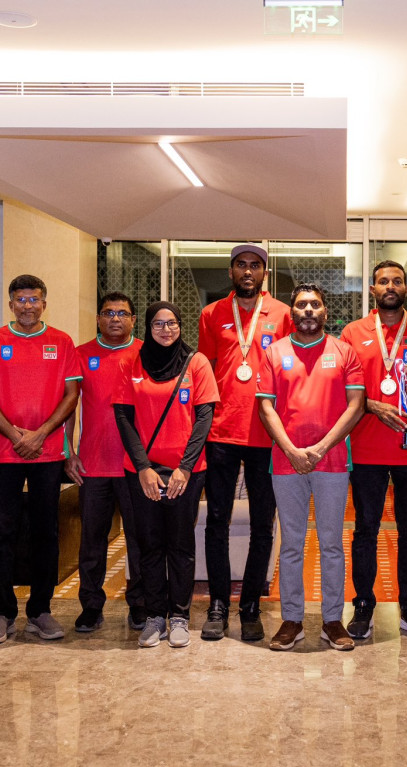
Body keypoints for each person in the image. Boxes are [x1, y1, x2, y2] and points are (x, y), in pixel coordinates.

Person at [340, 260, 407, 642]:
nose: (390, 286)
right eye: (383, 281)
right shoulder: (352, 332)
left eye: (396, 281)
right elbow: (343, 388)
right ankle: (363, 605)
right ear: (372, 290)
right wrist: (371, 405)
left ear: (406, 289)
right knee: (365, 531)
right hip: (366, 450)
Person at [257, 283, 365, 652]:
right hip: (286, 462)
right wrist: (291, 450)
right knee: (291, 544)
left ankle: (333, 620)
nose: (308, 310)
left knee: (331, 544)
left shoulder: (344, 351)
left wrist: (319, 449)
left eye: (314, 304)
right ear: (292, 312)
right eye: (301, 304)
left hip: (332, 461)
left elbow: (356, 405)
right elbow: (266, 407)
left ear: (324, 311)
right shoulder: (274, 352)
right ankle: (292, 619)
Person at [0, 275, 80, 645]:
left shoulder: (61, 342)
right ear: (11, 304)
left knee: (45, 532)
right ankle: (2, 613)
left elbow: (71, 395)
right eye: (20, 300)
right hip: (5, 453)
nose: (27, 306)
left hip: (48, 452)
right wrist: (16, 435)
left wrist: (40, 434)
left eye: (34, 299)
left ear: (44, 303)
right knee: (3, 532)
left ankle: (40, 610)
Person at [196, 244, 293, 642]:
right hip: (221, 433)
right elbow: (204, 372)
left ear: (264, 273)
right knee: (216, 522)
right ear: (231, 271)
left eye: (255, 265)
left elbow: (289, 374)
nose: (248, 271)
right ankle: (218, 604)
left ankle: (251, 605)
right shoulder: (212, 314)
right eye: (241, 265)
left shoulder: (283, 314)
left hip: (266, 435)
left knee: (262, 526)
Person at [114, 302, 219, 648]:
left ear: (180, 326)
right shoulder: (130, 362)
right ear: (147, 327)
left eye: (172, 323)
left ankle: (179, 616)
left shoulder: (196, 363)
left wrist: (184, 469)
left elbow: (204, 417)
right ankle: (155, 616)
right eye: (158, 324)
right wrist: (143, 468)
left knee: (180, 544)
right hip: (143, 471)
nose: (166, 330)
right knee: (149, 545)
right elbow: (123, 417)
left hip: (185, 473)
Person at [67, 292, 145, 632]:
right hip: (93, 464)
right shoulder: (81, 354)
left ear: (133, 320)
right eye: (108, 313)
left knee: (140, 540)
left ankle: (139, 603)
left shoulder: (146, 353)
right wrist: (69, 452)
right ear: (98, 318)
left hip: (136, 466)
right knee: (92, 542)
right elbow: (69, 405)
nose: (115, 318)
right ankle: (90, 605)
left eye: (122, 313)